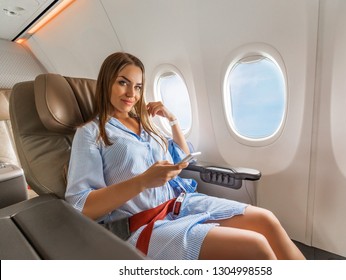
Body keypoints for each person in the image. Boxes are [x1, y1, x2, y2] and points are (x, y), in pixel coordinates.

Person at [65, 52, 305, 260]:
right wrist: (143, 181)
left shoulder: (146, 125)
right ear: (106, 82)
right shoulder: (90, 133)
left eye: (138, 86)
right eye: (123, 83)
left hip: (179, 204)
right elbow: (80, 205)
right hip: (142, 224)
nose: (132, 93)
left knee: (266, 220)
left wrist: (172, 119)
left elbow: (185, 156)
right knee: (256, 247)